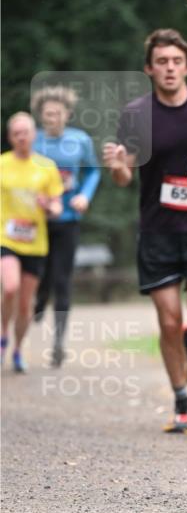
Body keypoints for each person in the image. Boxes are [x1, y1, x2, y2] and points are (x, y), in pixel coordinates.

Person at [103, 28, 187, 433]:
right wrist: (119, 167)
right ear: (149, 69)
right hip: (158, 231)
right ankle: (180, 400)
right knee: (168, 321)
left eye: (176, 61)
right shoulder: (136, 114)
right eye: (162, 62)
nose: (170, 68)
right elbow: (125, 176)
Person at [31, 84, 101, 367]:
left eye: (56, 114)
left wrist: (84, 195)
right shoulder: (33, 141)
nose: (52, 119)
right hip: (37, 221)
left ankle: (58, 342)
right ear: (41, 116)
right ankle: (38, 302)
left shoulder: (79, 140)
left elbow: (93, 170)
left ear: (67, 115)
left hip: (68, 219)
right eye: (47, 115)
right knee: (43, 277)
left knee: (62, 279)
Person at [1, 112, 63, 372]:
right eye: (16, 133)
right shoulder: (2, 164)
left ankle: (17, 349)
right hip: (6, 238)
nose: (22, 137)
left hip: (35, 244)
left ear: (33, 134)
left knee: (26, 305)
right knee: (10, 287)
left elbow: (58, 207)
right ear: (10, 138)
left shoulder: (46, 167)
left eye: (25, 132)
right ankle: (3, 337)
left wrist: (48, 206)